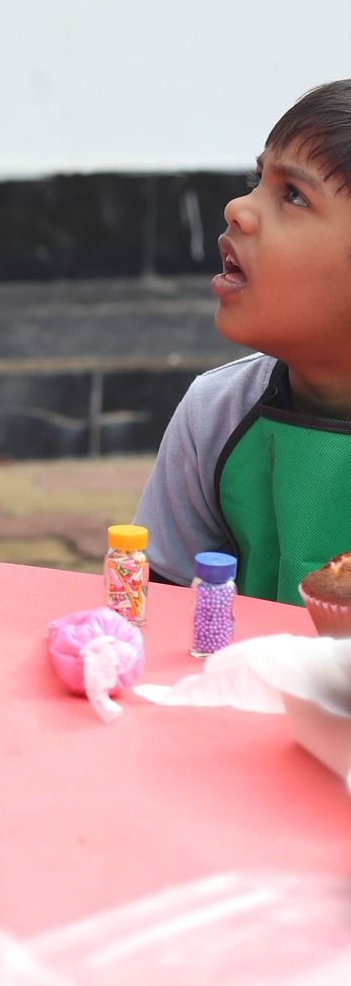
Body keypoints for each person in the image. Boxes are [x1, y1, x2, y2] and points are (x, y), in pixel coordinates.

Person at [135, 79, 351, 601]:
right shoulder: (216, 414)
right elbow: (160, 611)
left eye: (294, 195)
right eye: (258, 180)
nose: (238, 208)